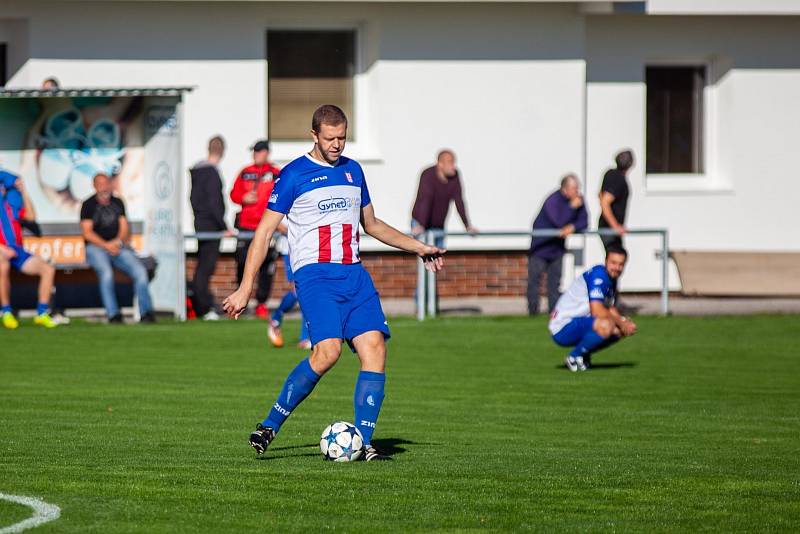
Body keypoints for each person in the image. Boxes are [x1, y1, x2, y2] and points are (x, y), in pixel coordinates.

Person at [223, 104, 445, 461]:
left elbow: (371, 225)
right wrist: (246, 287)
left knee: (375, 347)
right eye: (330, 138)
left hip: (354, 274)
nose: (337, 144)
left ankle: (366, 441)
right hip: (315, 276)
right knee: (327, 353)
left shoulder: (353, 171)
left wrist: (418, 247)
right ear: (314, 136)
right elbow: (263, 232)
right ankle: (269, 425)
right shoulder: (293, 174)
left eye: (342, 137)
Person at [80, 173, 155, 323]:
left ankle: (146, 313)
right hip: (96, 248)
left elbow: (124, 227)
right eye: (100, 184)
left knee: (140, 272)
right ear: (94, 186)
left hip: (117, 247)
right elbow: (87, 233)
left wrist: (117, 242)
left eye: (106, 183)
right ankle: (113, 315)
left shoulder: (118, 202)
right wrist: (106, 245)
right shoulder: (88, 205)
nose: (104, 187)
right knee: (106, 273)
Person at [548, 247, 637, 372]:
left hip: (578, 322)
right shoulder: (599, 276)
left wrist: (624, 323)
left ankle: (582, 354)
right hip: (563, 327)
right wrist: (621, 322)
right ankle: (574, 357)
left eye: (621, 264)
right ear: (605, 261)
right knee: (606, 324)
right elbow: (597, 310)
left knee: (618, 330)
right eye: (613, 263)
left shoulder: (611, 279)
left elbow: (609, 309)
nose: (617, 267)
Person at [229, 139, 281, 319]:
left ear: (266, 153)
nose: (255, 155)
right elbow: (233, 195)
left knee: (267, 266)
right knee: (242, 262)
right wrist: (243, 197)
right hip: (246, 227)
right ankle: (239, 301)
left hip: (267, 227)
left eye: (258, 152)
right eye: (254, 152)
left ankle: (261, 303)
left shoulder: (275, 173)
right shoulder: (245, 172)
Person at [0, 172, 57, 329]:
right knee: (2, 265)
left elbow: (31, 216)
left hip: (17, 251)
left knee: (47, 268)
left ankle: (42, 313)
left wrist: (23, 190)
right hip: (1, 253)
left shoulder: (11, 207)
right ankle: (6, 312)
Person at [528, 174, 588, 315]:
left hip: (557, 249)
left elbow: (584, 221)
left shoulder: (578, 201)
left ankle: (554, 313)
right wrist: (571, 208)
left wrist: (572, 227)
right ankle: (532, 312)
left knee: (554, 283)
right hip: (540, 248)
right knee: (534, 282)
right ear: (565, 189)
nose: (577, 191)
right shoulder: (553, 200)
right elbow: (559, 221)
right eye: (574, 188)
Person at [190, 136, 230, 321]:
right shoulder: (212, 173)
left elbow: (195, 200)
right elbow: (214, 203)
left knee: (201, 266)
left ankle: (201, 305)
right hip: (211, 227)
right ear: (222, 151)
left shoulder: (197, 172)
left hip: (200, 223)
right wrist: (223, 226)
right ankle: (204, 307)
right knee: (206, 267)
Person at [411, 150, 477, 248]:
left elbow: (459, 201)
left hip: (439, 225)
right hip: (421, 221)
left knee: (439, 256)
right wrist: (421, 225)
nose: (453, 166)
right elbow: (425, 200)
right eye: (450, 163)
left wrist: (467, 225)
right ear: (440, 164)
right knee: (424, 256)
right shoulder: (428, 175)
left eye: (454, 162)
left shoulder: (455, 176)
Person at [268, 228, 311, 350]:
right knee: (299, 291)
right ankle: (277, 319)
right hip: (291, 249)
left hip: (310, 249)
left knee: (307, 292)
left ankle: (276, 319)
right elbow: (277, 222)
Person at [598, 150, 634, 251]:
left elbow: (600, 196)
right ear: (631, 164)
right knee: (615, 259)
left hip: (606, 227)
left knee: (616, 258)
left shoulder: (609, 174)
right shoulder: (618, 179)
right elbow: (604, 202)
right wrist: (615, 226)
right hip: (609, 229)